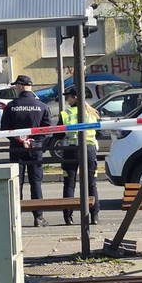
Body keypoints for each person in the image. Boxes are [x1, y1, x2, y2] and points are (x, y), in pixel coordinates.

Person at [0, 74, 52, 227]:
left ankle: (17, 217)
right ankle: (39, 217)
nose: (16, 88)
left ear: (21, 86)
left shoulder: (11, 106)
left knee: (18, 183)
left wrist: (20, 140)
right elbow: (47, 128)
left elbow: (5, 129)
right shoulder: (42, 106)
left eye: (16, 85)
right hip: (35, 149)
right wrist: (34, 140)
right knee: (36, 183)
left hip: (17, 149)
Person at [59, 86, 100, 226]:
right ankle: (94, 216)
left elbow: (57, 134)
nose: (67, 99)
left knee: (69, 183)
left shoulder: (66, 113)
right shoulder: (92, 112)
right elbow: (97, 132)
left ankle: (68, 217)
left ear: (74, 98)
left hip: (71, 150)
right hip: (89, 150)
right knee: (91, 183)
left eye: (68, 97)